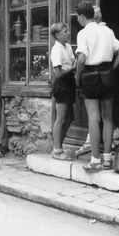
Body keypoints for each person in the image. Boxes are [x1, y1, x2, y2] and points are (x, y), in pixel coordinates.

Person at [75, 1, 119, 171]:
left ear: (83, 16)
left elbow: (82, 58)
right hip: (107, 74)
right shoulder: (107, 30)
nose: (78, 20)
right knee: (108, 118)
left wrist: (77, 76)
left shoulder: (83, 33)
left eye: (78, 17)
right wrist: (111, 68)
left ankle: (95, 160)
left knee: (93, 119)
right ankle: (107, 159)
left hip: (90, 76)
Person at [50, 23, 76, 160]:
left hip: (69, 82)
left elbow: (72, 63)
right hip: (61, 84)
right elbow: (58, 74)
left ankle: (58, 145)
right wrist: (74, 68)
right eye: (65, 31)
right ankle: (57, 150)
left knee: (70, 117)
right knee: (61, 118)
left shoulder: (67, 47)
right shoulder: (56, 50)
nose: (68, 33)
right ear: (57, 35)